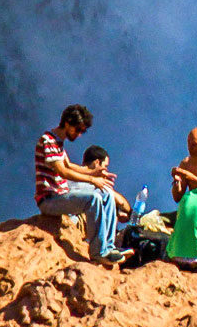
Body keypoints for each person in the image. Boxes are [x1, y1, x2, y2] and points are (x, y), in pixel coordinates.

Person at [35, 104, 133, 266]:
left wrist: (93, 173)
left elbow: (69, 166)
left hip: (60, 196)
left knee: (106, 193)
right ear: (67, 123)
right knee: (93, 198)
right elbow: (62, 171)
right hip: (49, 199)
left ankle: (109, 247)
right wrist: (92, 180)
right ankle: (99, 252)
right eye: (78, 129)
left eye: (82, 131)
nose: (79, 134)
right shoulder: (48, 140)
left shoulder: (58, 143)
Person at [82, 144, 133, 223]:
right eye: (105, 166)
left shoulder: (72, 175)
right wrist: (131, 214)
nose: (106, 170)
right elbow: (120, 202)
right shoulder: (92, 182)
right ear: (97, 163)